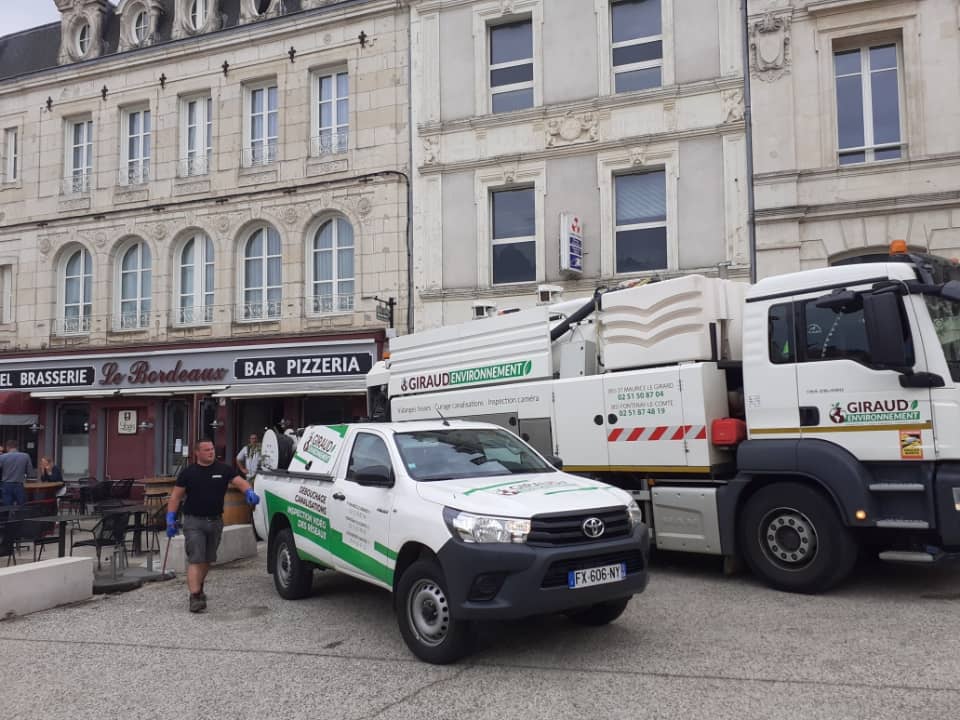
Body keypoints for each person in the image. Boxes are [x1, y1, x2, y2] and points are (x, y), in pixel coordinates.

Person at [166, 440, 259, 613]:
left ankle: (198, 586)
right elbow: (176, 497)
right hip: (194, 522)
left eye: (212, 449)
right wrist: (170, 518)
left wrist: (249, 492)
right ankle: (195, 597)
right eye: (206, 450)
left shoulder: (223, 470)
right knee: (196, 558)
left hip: (215, 521)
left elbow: (240, 482)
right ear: (197, 453)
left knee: (208, 559)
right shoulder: (188, 473)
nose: (211, 452)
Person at [0, 439, 34, 506]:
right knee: (21, 506)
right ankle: (20, 516)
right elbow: (30, 472)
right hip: (19, 484)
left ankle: (8, 516)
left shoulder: (2, 457)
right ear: (17, 447)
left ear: (7, 447)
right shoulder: (25, 456)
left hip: (6, 485)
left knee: (6, 506)